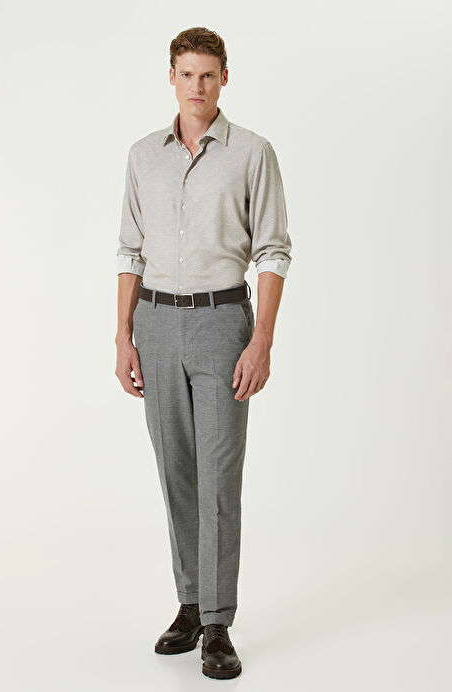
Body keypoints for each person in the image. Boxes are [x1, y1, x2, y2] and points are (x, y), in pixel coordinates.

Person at [115, 27, 292, 680]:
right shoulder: (143, 156)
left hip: (222, 322)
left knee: (218, 474)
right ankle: (189, 605)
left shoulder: (252, 153)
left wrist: (261, 338)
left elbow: (272, 249)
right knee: (177, 474)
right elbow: (129, 249)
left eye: (208, 74)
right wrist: (122, 335)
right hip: (156, 322)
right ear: (171, 77)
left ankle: (217, 622)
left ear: (223, 78)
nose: (197, 85)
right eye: (186, 74)